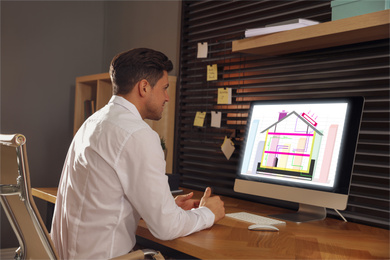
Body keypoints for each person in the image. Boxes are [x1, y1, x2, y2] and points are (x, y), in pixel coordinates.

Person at [51, 48, 225, 259]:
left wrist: (164, 206)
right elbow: (166, 229)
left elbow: (103, 198)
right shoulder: (138, 134)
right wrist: (209, 213)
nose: (167, 98)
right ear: (144, 87)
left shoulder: (93, 122)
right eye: (164, 88)